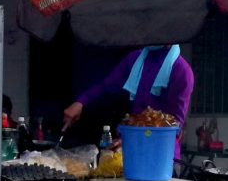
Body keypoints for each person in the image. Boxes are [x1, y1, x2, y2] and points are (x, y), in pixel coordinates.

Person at [63, 43, 194, 144]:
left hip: (162, 156)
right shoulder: (134, 59)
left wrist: (134, 141)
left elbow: (174, 128)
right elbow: (107, 85)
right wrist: (80, 102)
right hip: (130, 148)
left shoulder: (182, 71)